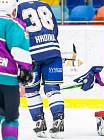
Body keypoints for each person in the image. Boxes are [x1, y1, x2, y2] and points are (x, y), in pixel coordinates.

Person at [16, 0, 64, 138]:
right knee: (53, 89)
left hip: (31, 54)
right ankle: (58, 121)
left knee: (31, 91)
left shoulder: (17, 7)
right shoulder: (45, 5)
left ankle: (39, 123)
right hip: (53, 51)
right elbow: (55, 29)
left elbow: (17, 32)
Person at [0, 0, 33, 140]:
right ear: (13, 9)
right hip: (7, 79)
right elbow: (19, 51)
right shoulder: (14, 24)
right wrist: (26, 71)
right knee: (11, 117)